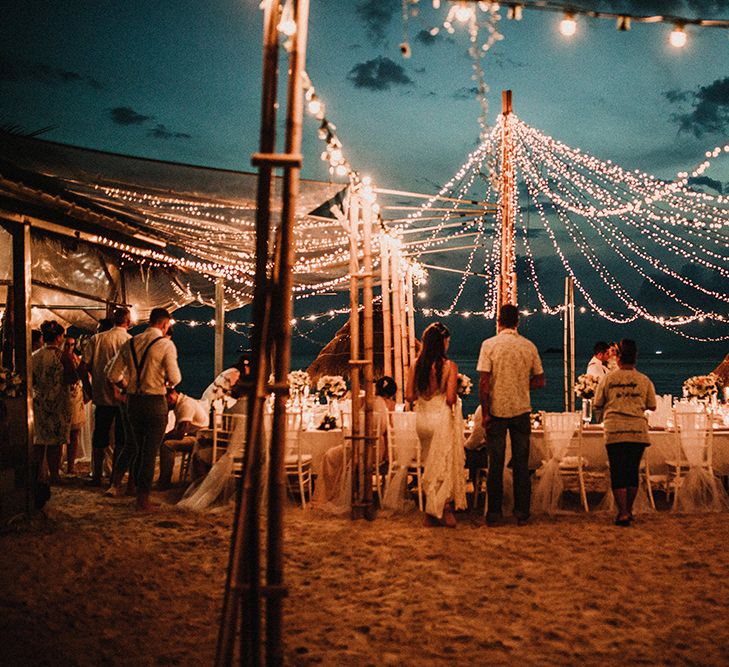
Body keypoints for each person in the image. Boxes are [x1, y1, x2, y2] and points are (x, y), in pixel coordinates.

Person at [107, 307, 181, 511]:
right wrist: (164, 382)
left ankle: (133, 489)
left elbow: (113, 375)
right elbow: (175, 378)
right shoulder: (165, 345)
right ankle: (142, 498)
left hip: (132, 402)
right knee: (149, 452)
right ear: (165, 324)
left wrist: (128, 387)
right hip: (155, 401)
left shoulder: (130, 342)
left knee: (137, 447)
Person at [477, 304, 545, 527]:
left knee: (495, 463)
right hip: (522, 410)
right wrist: (521, 385)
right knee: (521, 464)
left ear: (499, 322)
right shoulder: (529, 346)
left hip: (497, 410)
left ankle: (495, 513)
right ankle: (521, 512)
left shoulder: (489, 345)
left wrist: (485, 413)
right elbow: (540, 380)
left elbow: (484, 383)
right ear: (517, 322)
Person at [405, 322, 466, 528]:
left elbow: (409, 395)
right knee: (442, 463)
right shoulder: (449, 367)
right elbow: (450, 398)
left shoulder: (416, 364)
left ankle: (431, 512)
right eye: (447, 341)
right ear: (442, 343)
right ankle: (444, 509)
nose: (448, 345)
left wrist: (424, 394)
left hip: (422, 420)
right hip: (439, 419)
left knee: (428, 464)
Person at [593, 339, 656, 527]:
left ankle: (622, 512)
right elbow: (652, 405)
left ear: (618, 358)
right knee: (632, 472)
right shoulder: (644, 380)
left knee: (618, 471)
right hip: (637, 430)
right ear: (635, 358)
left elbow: (598, 402)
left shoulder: (608, 379)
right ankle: (629, 510)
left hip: (615, 430)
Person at [312, 376, 397, 510]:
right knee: (336, 453)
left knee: (329, 455)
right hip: (377, 450)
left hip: (359, 447)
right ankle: (339, 490)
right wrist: (387, 455)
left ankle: (329, 495)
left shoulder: (366, 401)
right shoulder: (390, 405)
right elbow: (388, 433)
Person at [82, 307, 132, 486]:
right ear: (128, 321)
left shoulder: (98, 339)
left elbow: (83, 366)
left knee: (99, 437)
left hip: (101, 395)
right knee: (121, 438)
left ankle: (96, 475)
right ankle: (114, 478)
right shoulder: (130, 341)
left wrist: (88, 389)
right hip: (123, 397)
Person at [32, 320, 73, 485]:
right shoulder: (63, 356)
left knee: (39, 439)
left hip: (39, 401)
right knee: (55, 441)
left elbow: (32, 380)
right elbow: (71, 377)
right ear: (58, 337)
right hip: (58, 402)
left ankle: (37, 474)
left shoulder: (34, 356)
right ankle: (54, 474)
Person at [157, 388, 209, 489]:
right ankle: (163, 481)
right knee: (166, 441)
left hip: (200, 439)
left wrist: (163, 438)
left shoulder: (186, 405)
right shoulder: (181, 404)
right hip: (195, 435)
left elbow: (180, 433)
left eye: (164, 401)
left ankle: (164, 482)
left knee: (167, 445)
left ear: (171, 397)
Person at [61, 335, 91, 476]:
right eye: (67, 344)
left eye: (72, 345)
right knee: (62, 434)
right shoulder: (60, 359)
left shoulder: (77, 358)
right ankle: (60, 463)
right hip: (64, 398)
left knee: (74, 433)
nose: (69, 347)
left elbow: (84, 376)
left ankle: (71, 465)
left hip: (76, 399)